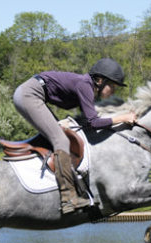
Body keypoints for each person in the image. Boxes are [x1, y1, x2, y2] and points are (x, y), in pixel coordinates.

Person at [13, 58, 137, 214]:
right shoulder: (85, 85)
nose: (113, 91)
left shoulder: (87, 87)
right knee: (61, 140)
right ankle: (68, 199)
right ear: (100, 80)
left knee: (63, 135)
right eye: (112, 86)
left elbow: (88, 120)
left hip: (32, 94)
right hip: (30, 94)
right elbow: (94, 122)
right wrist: (123, 118)